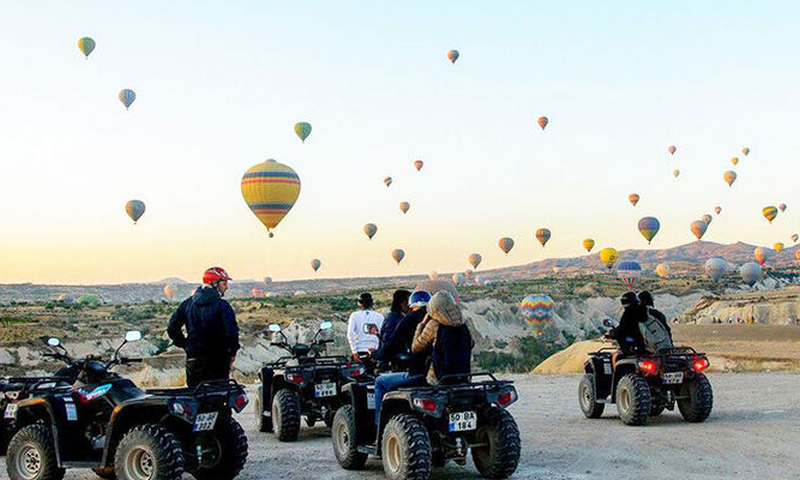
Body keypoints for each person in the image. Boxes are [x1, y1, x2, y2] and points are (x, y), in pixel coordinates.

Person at [167, 267, 240, 388]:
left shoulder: (187, 304)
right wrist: (232, 352)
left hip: (194, 359)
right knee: (219, 397)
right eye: (224, 283)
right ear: (214, 284)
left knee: (195, 398)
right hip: (219, 359)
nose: (226, 287)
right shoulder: (223, 306)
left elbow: (172, 328)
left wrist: (186, 344)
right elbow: (231, 332)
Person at [372, 291, 432, 424]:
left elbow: (391, 346)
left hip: (419, 373)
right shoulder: (440, 320)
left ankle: (379, 427)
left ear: (411, 304)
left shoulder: (409, 319)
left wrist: (375, 355)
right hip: (444, 374)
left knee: (380, 382)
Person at [412, 291, 472, 385]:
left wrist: (421, 324)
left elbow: (416, 347)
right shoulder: (464, 324)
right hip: (463, 376)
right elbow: (471, 343)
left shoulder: (434, 325)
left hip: (438, 377)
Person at [374, 290, 428, 371]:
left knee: (380, 382)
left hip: (412, 366)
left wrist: (377, 355)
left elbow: (390, 343)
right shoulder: (396, 320)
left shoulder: (406, 319)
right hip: (414, 362)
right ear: (402, 303)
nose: (410, 306)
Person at [608, 292, 645, 368]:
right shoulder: (645, 311)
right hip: (645, 343)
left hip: (633, 341)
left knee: (617, 357)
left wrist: (613, 333)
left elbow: (622, 329)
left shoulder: (628, 313)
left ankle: (616, 376)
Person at [347, 292, 384, 363]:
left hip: (360, 351)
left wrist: (354, 351)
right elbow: (383, 335)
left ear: (359, 304)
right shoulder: (379, 316)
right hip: (375, 350)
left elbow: (350, 334)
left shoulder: (354, 316)